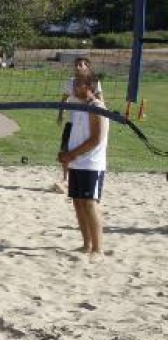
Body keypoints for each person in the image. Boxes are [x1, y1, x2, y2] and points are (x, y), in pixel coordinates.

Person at [57, 75, 109, 262]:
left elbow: (96, 139)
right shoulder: (78, 107)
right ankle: (87, 244)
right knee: (78, 202)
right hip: (77, 161)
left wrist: (71, 155)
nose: (73, 86)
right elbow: (77, 136)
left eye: (77, 84)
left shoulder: (97, 107)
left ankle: (98, 249)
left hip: (91, 164)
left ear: (89, 87)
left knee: (89, 203)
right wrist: (66, 154)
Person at [55, 57, 104, 193]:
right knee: (65, 150)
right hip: (73, 122)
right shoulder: (70, 82)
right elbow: (64, 99)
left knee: (85, 151)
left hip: (88, 124)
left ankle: (83, 179)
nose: (78, 66)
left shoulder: (94, 83)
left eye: (82, 64)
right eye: (76, 64)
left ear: (88, 67)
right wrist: (60, 113)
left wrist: (102, 110)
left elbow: (101, 100)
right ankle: (65, 179)